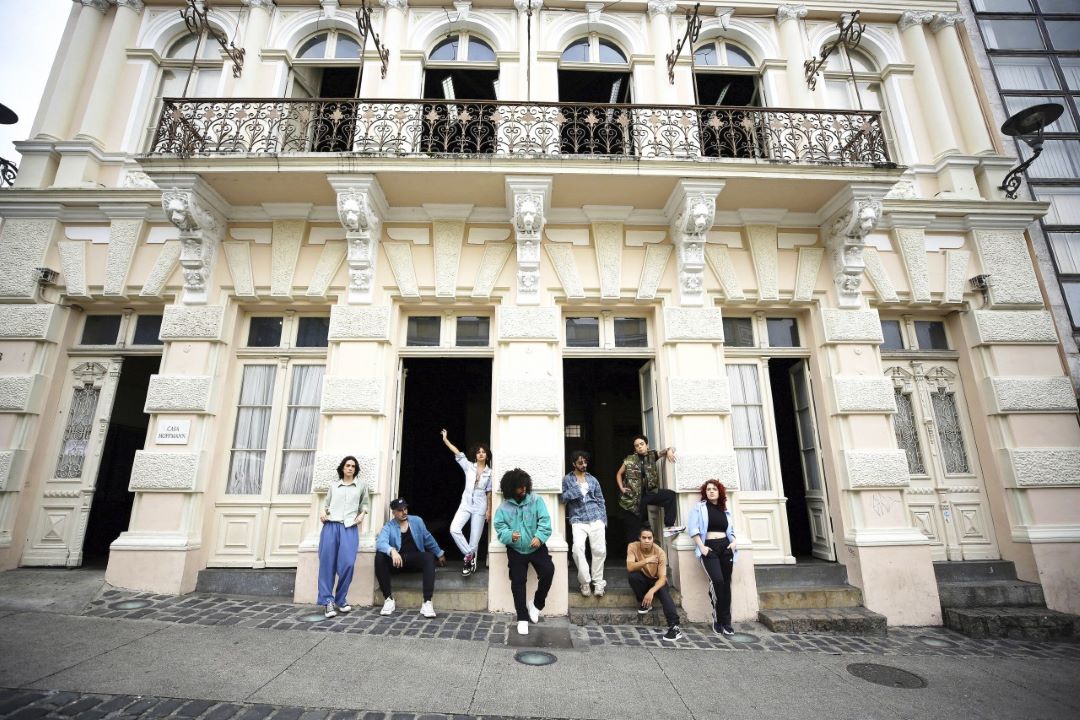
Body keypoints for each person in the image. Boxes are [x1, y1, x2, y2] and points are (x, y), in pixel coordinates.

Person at [493, 468, 554, 636]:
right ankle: (522, 617)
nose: (524, 489)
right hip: (516, 550)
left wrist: (540, 537)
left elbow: (545, 521)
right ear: (511, 488)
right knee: (518, 581)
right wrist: (509, 535)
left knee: (548, 570)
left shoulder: (536, 500)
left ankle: (536, 605)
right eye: (520, 487)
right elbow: (499, 527)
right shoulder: (503, 508)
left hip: (536, 547)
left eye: (525, 486)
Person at [374, 497, 447, 618]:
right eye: (400, 510)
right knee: (380, 557)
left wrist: (439, 554)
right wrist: (392, 551)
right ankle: (388, 599)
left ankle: (427, 602)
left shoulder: (417, 521)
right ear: (394, 512)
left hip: (414, 560)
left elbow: (428, 539)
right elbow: (381, 542)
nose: (404, 512)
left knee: (429, 557)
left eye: (405, 509)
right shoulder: (389, 526)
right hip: (398, 563)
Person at [317, 456, 370, 618]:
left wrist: (362, 515)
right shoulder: (334, 486)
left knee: (347, 564)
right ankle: (327, 601)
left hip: (349, 527)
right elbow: (326, 506)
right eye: (348, 465)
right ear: (342, 468)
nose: (350, 468)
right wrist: (322, 513)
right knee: (327, 564)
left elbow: (365, 504)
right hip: (331, 527)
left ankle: (340, 599)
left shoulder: (361, 486)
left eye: (353, 466)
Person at [688, 479, 737, 636]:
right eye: (708, 489)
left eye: (714, 489)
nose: (711, 491)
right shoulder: (700, 508)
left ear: (719, 491)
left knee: (726, 583)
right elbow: (693, 528)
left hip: (726, 547)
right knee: (717, 581)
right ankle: (717, 619)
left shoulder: (725, 509)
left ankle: (726, 621)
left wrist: (734, 542)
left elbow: (731, 530)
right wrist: (701, 547)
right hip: (709, 548)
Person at [439, 429, 492, 576]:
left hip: (480, 506)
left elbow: (489, 493)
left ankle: (469, 564)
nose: (480, 453)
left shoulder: (490, 473)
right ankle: (470, 555)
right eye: (478, 452)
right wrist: (446, 440)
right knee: (454, 528)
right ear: (475, 455)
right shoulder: (469, 466)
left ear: (487, 455)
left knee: (474, 539)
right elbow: (458, 453)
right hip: (466, 504)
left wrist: (489, 510)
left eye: (483, 452)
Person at [615, 434, 684, 543]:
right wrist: (622, 488)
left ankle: (669, 526)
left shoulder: (653, 455)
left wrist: (670, 451)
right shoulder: (629, 459)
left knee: (670, 495)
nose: (639, 447)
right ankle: (633, 556)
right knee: (634, 530)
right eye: (636, 445)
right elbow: (619, 474)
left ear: (647, 445)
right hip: (633, 498)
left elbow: (668, 449)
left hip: (649, 493)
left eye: (641, 444)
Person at [559, 450, 607, 597]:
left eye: (585, 462)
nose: (584, 465)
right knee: (578, 549)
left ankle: (598, 583)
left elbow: (600, 500)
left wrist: (603, 520)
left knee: (599, 550)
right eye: (580, 462)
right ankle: (585, 582)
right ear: (574, 464)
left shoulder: (593, 480)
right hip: (578, 519)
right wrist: (575, 490)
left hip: (596, 518)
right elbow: (562, 498)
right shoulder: (567, 479)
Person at [626, 527, 683, 642]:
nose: (647, 540)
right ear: (639, 538)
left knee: (663, 591)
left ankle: (674, 626)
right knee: (633, 576)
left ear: (653, 539)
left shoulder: (660, 552)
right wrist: (647, 560)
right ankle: (645, 603)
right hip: (643, 579)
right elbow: (630, 567)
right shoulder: (632, 546)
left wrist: (651, 591)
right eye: (644, 538)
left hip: (657, 580)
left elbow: (662, 578)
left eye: (649, 538)